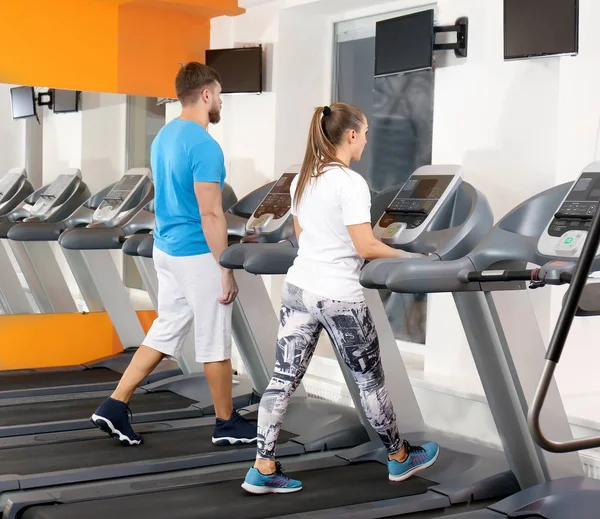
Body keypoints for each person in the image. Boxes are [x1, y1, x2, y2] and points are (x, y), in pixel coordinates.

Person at [241, 103, 439, 495]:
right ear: (350, 135)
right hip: (340, 297)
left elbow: (301, 237)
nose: (365, 139)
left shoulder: (303, 179)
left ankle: (262, 466)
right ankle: (399, 458)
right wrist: (414, 257)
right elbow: (365, 245)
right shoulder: (350, 183)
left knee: (282, 380)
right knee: (370, 383)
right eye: (363, 133)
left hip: (299, 289)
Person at [91, 62, 257, 447]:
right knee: (215, 338)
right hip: (197, 253)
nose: (219, 102)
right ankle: (226, 422)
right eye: (218, 94)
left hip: (166, 249)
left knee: (166, 329)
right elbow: (211, 212)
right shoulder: (204, 145)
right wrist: (225, 267)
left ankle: (115, 403)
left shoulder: (163, 137)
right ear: (205, 94)